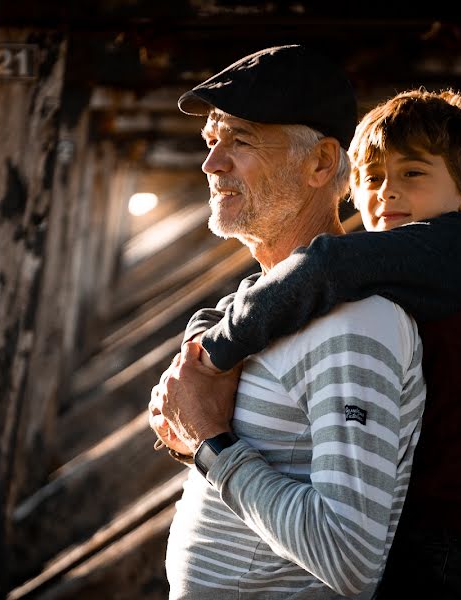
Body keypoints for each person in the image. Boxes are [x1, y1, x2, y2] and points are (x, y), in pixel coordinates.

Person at [173, 88, 461, 599]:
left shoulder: (451, 246)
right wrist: (201, 333)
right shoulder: (409, 263)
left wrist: (215, 352)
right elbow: (271, 287)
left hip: (445, 543)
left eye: (413, 174)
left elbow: (325, 265)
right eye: (373, 178)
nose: (387, 194)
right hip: (425, 522)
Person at [147, 44, 428, 599]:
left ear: (322, 163)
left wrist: (210, 442)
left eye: (241, 140)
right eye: (211, 140)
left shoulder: (354, 326)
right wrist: (187, 431)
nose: (211, 164)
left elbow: (349, 560)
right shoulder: (260, 302)